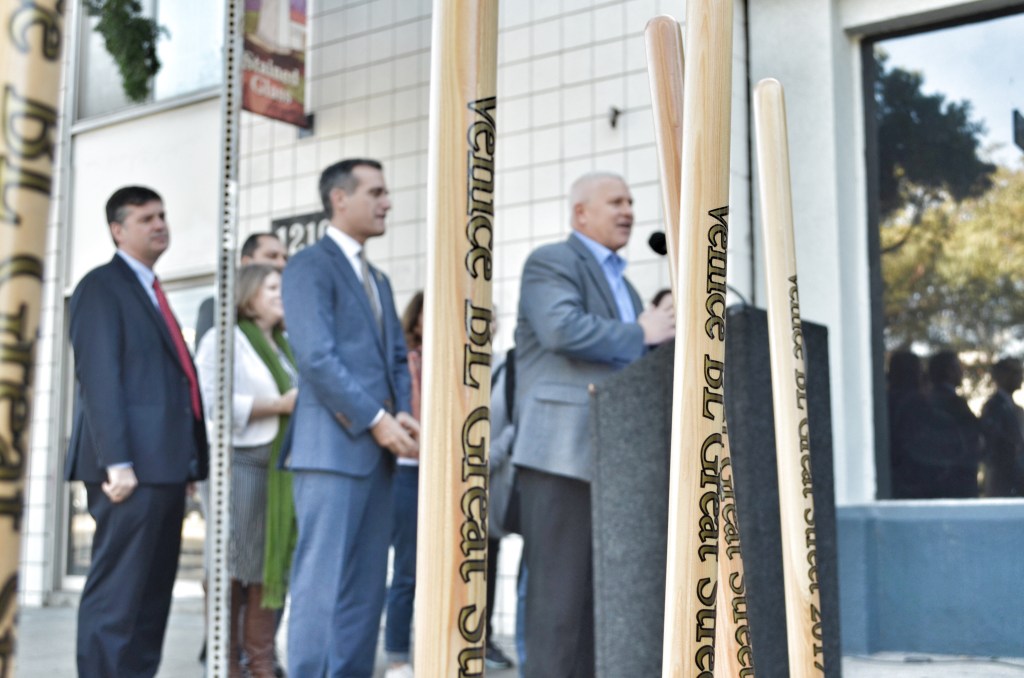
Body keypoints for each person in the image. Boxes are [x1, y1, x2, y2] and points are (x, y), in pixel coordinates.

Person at [512, 172, 675, 677]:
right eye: (615, 202)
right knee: (557, 606)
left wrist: (656, 335)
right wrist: (639, 330)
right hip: (561, 455)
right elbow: (560, 328)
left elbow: (626, 358)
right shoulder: (552, 262)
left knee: (594, 605)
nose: (627, 210)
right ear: (580, 213)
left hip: (614, 457)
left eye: (631, 201)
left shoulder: (623, 283)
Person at [282, 158, 419, 677]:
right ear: (340, 199)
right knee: (319, 586)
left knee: (366, 589)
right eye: (377, 192)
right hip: (331, 452)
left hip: (378, 456)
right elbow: (316, 357)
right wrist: (377, 419)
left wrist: (404, 414)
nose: (387, 202)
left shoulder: (379, 279)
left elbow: (393, 359)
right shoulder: (308, 266)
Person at [65, 186, 209, 677]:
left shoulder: (152, 290)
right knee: (118, 597)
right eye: (146, 217)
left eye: (163, 215)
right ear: (117, 229)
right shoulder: (101, 287)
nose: (159, 224)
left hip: (165, 469)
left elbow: (174, 383)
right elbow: (99, 378)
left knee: (151, 598)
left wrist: (190, 461)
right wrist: (116, 462)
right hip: (128, 471)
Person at [195, 264, 298, 677]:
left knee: (263, 567)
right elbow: (211, 403)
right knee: (233, 566)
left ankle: (260, 663)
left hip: (277, 468)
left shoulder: (284, 344)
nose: (280, 294)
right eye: (273, 287)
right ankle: (227, 664)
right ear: (249, 293)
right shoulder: (224, 339)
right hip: (241, 465)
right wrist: (278, 406)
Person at [383, 291, 424, 678]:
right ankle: (397, 653)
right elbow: (408, 420)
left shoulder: (460, 365)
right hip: (410, 472)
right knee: (408, 569)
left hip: (444, 475)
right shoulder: (410, 363)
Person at [195, 231, 288, 344]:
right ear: (247, 262)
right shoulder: (217, 309)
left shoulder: (281, 317)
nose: (281, 263)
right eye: (272, 256)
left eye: (285, 258)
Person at [927, 350, 982, 497]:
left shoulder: (931, 400)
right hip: (958, 481)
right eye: (958, 367)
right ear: (949, 371)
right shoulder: (952, 403)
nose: (962, 372)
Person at [980, 358, 1024, 496]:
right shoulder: (993, 406)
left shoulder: (1015, 408)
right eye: (1014, 372)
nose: (1020, 376)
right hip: (1001, 479)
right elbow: (993, 442)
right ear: (1001, 376)